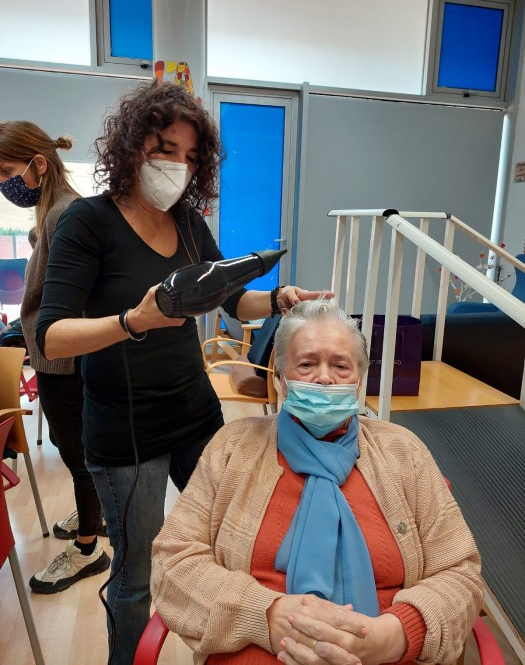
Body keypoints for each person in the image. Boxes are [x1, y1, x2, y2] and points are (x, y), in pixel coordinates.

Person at [35, 81, 327, 664]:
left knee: (229, 544)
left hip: (196, 416)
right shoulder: (87, 223)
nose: (177, 166)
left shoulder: (189, 224)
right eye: (166, 149)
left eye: (191, 157)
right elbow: (51, 334)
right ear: (132, 146)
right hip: (125, 433)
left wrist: (277, 300)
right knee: (136, 576)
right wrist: (132, 321)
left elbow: (232, 299)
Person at [151, 298, 483, 665]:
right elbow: (172, 562)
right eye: (307, 364)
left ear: (359, 381)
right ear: (281, 378)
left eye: (340, 366)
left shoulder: (405, 452)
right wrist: (265, 614)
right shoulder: (233, 448)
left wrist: (393, 635)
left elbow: (460, 574)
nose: (324, 377)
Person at [0, 121, 109, 594]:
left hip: (64, 357)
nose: (4, 184)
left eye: (6, 172)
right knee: (76, 450)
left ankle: (88, 549)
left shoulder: (64, 212)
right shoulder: (56, 212)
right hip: (58, 354)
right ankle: (92, 517)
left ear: (38, 164)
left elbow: (69, 296)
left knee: (77, 452)